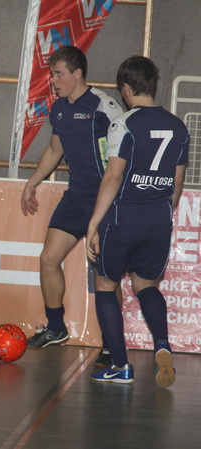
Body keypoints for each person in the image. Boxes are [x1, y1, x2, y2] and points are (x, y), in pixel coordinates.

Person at [86, 56, 189, 386]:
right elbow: (177, 182)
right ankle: (163, 343)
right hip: (158, 219)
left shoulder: (123, 124)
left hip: (124, 217)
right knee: (146, 286)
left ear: (126, 88)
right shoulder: (179, 126)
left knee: (106, 284)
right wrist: (162, 210)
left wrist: (94, 223)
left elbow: (113, 176)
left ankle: (120, 364)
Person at [21, 46, 123, 365]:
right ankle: (56, 327)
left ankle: (112, 342)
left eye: (59, 74)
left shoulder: (104, 107)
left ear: (77, 74)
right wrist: (32, 182)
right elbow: (55, 150)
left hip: (105, 199)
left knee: (105, 274)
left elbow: (127, 154)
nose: (53, 80)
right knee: (48, 258)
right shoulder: (59, 109)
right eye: (52, 74)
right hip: (76, 197)